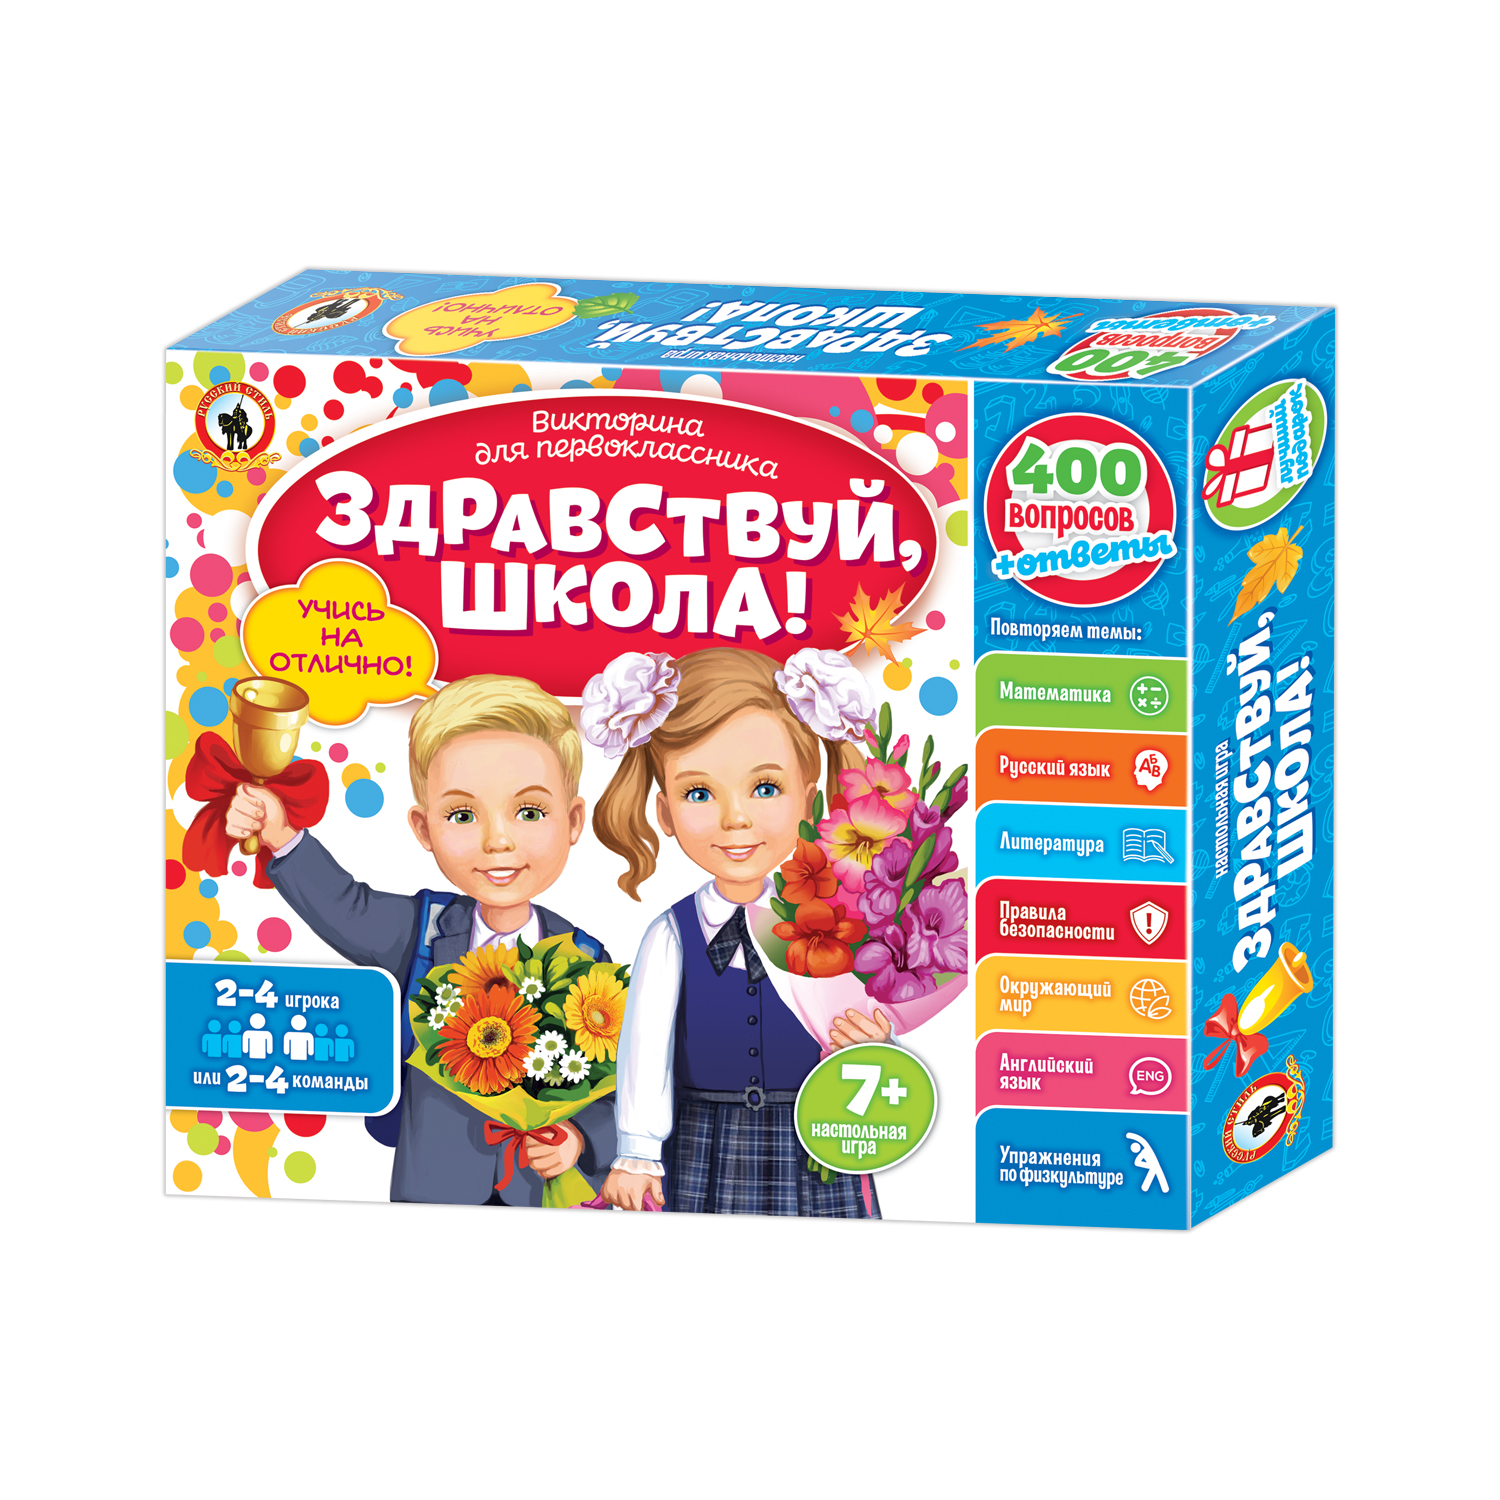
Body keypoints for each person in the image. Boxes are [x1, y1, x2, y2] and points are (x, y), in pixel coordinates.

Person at [223, 675, 612, 1207]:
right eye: (462, 815)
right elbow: (345, 907)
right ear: (424, 829)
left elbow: (617, 1085)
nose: (498, 840)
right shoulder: (423, 929)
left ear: (573, 821)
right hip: (433, 1187)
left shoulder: (584, 957)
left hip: (539, 1195)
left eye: (529, 812)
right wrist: (281, 836)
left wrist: (579, 1140)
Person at [591, 647, 890, 1218]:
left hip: (820, 1137)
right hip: (704, 1145)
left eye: (766, 788)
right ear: (665, 813)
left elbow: (864, 1019)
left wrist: (875, 1049)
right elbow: (646, 1050)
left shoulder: (838, 921)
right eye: (699, 794)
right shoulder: (672, 935)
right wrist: (637, 1151)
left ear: (809, 798)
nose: (735, 819)